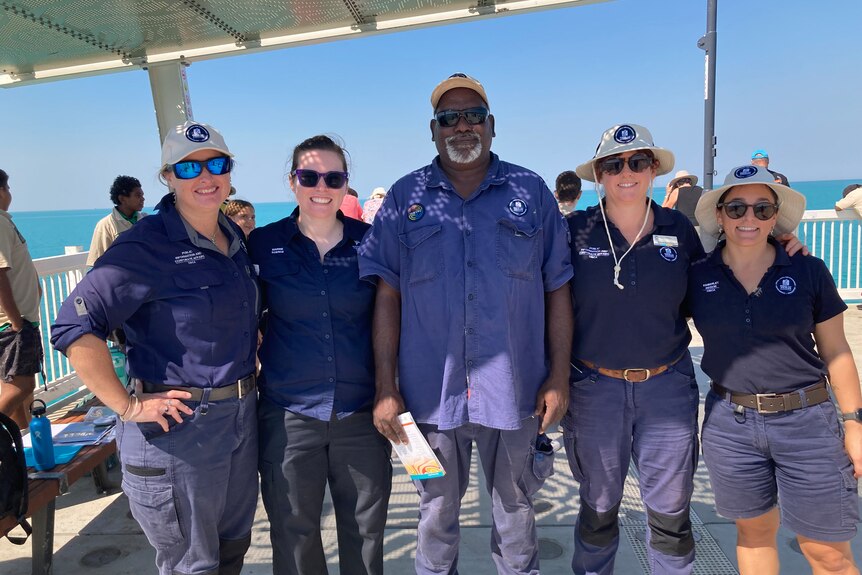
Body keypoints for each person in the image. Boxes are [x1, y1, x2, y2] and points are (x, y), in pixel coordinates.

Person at [358, 73, 573, 574]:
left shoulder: (532, 190)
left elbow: (557, 286)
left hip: (516, 394)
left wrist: (559, 376)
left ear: (492, 125)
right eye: (447, 117)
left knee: (517, 513)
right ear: (432, 130)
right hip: (425, 399)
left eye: (473, 114)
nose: (462, 126)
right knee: (433, 515)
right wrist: (386, 387)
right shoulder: (403, 197)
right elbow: (386, 295)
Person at [50, 121, 259, 575]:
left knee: (232, 551)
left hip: (240, 420)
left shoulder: (233, 236)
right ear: (167, 176)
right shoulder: (144, 247)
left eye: (216, 164)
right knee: (191, 564)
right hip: (181, 430)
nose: (205, 177)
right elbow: (74, 325)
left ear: (230, 171)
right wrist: (125, 406)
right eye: (188, 168)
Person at [688, 164, 862, 575]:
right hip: (730, 424)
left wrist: (854, 424)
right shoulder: (697, 276)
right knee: (753, 535)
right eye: (737, 208)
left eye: (762, 209)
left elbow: (837, 351)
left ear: (775, 216)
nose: (749, 218)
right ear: (719, 215)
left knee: (828, 553)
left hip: (808, 423)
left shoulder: (808, 270)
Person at [564, 124, 703, 575]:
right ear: (599, 175)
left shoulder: (678, 228)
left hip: (667, 385)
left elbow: (716, 288)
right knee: (599, 508)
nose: (627, 172)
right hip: (594, 389)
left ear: (654, 170)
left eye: (638, 162)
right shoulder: (574, 231)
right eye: (614, 164)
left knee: (670, 516)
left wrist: (780, 244)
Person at [249, 135, 391, 575]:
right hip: (289, 414)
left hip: (362, 415)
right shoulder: (263, 245)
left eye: (333, 177)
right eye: (309, 176)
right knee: (294, 537)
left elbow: (398, 320)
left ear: (346, 184)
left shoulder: (373, 243)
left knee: (366, 536)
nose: (321, 186)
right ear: (292, 182)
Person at [0, 169, 42, 430]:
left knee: (17, 393)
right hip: (14, 323)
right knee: (24, 384)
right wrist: (16, 321)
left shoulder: (5, 221)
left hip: (18, 321)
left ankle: (20, 454)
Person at [86, 175, 147, 267]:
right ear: (122, 198)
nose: (143, 199)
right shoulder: (105, 225)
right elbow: (96, 263)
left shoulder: (146, 220)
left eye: (142, 195)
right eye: (138, 195)